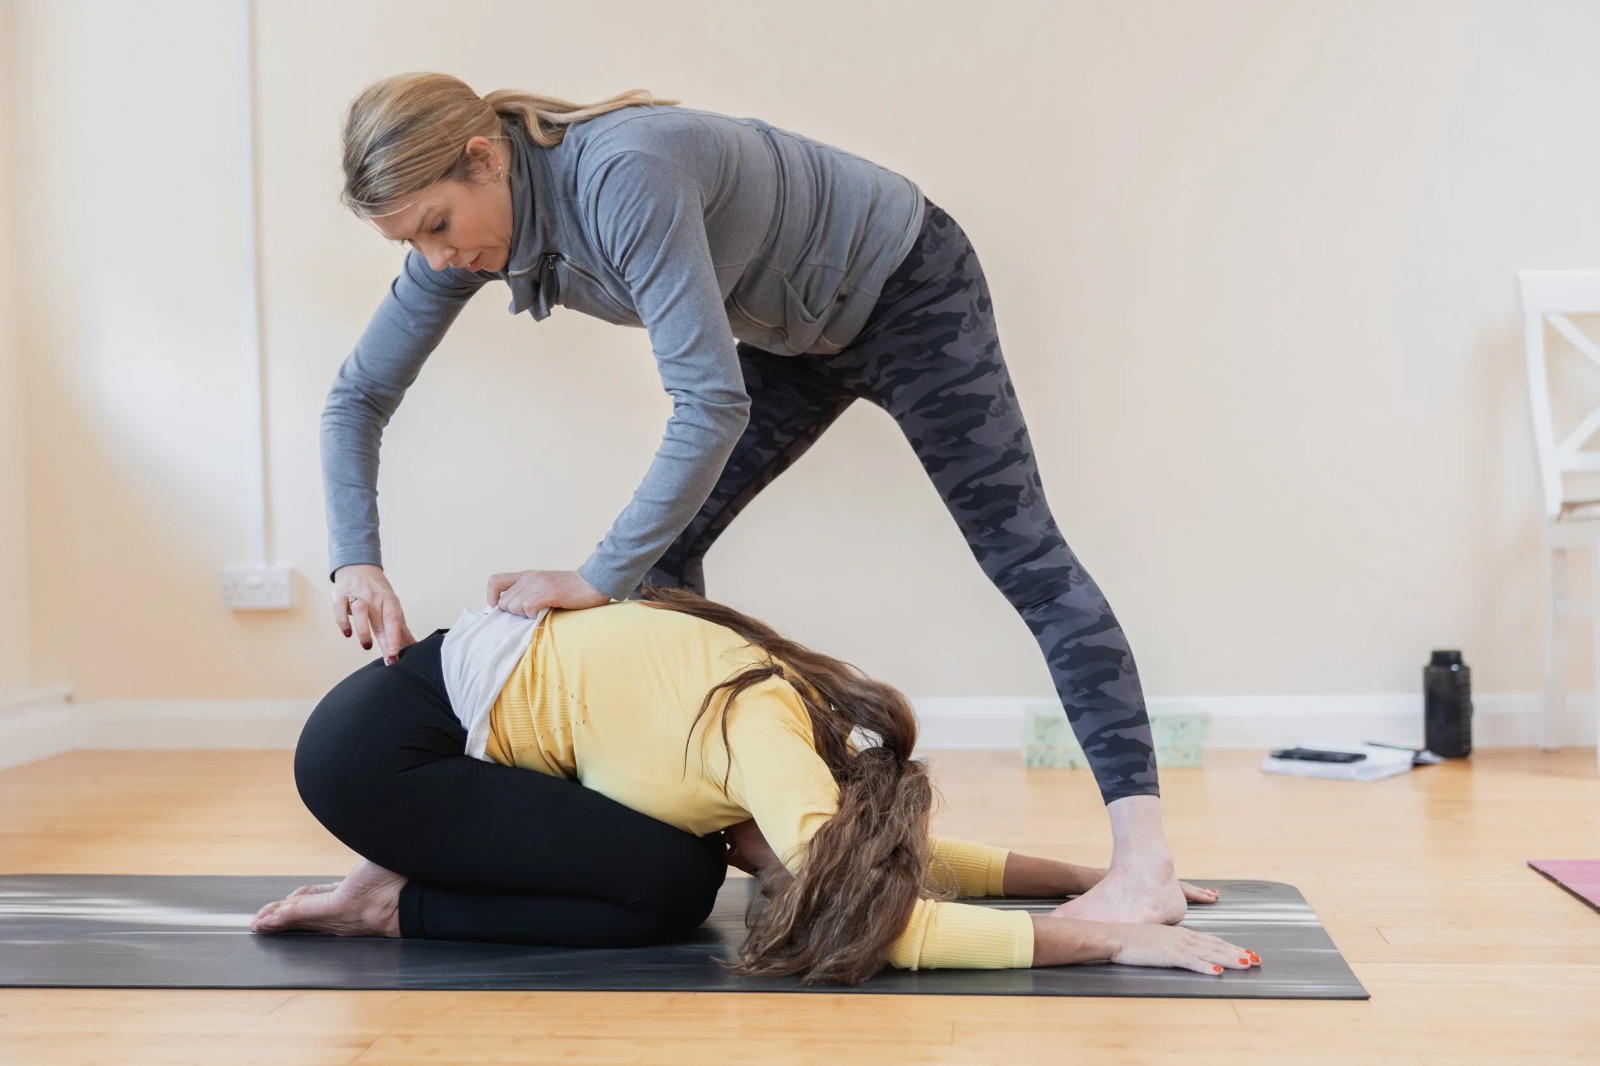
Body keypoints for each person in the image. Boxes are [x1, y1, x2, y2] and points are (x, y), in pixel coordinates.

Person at [322, 73, 1180, 924]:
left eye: (438, 225)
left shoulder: (625, 173)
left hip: (911, 289)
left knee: (1024, 556)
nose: (438, 257)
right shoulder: (468, 238)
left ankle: (1146, 865)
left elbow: (710, 404)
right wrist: (356, 557)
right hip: (787, 337)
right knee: (656, 566)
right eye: (413, 243)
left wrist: (595, 576)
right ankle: (770, 831)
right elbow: (357, 395)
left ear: (486, 158)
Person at [256, 588, 1259, 984]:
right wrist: (1114, 936)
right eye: (794, 868)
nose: (779, 878)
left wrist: (1086, 873)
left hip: (402, 731)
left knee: (682, 865)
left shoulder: (783, 750)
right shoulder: (771, 750)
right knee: (670, 888)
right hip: (383, 760)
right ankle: (390, 903)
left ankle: (390, 881)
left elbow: (880, 866)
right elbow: (887, 921)